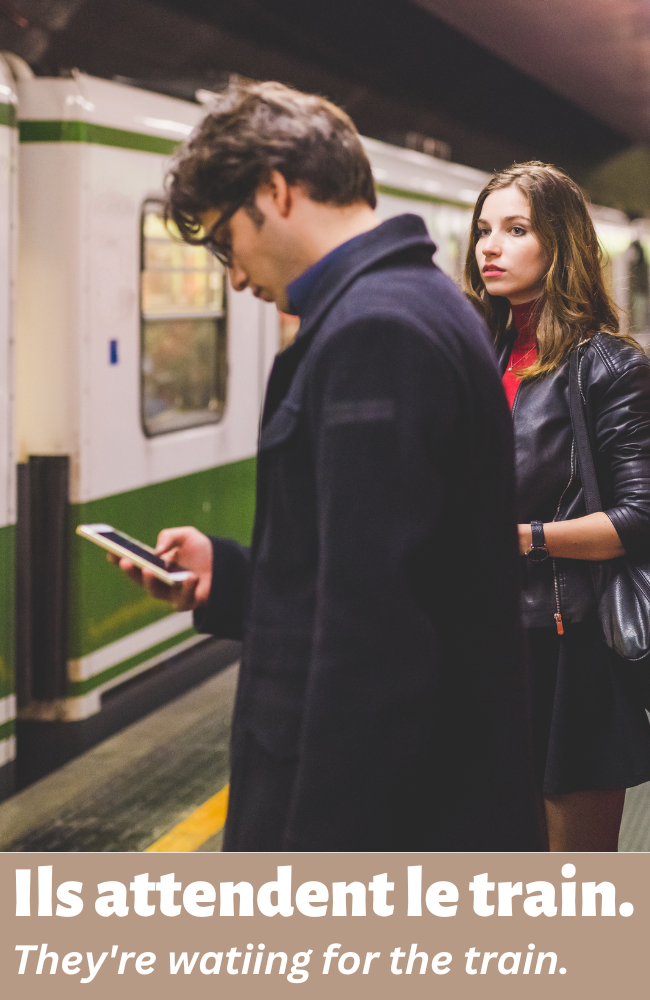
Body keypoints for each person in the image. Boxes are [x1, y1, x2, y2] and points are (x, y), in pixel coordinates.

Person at [114, 81, 545, 851]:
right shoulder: (420, 303)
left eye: (224, 241)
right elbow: (383, 574)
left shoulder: (374, 333)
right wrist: (234, 577)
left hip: (383, 832)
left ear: (274, 192)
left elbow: (374, 646)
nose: (235, 276)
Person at [466, 161, 650, 852]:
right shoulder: (471, 356)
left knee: (571, 887)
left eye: (516, 230)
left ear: (561, 244)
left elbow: (639, 517)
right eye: (485, 229)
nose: (491, 246)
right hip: (479, 642)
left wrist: (521, 539)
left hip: (567, 647)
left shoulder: (607, 366)